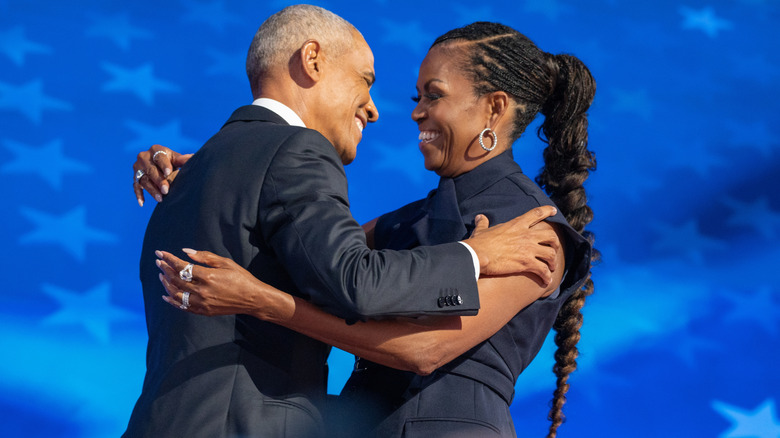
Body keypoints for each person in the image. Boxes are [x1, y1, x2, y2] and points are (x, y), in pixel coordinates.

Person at [124, 6, 562, 438]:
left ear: (493, 109)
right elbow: (347, 272)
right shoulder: (330, 177)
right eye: (368, 83)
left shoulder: (533, 232)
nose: (385, 111)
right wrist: (474, 255)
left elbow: (424, 349)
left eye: (434, 94)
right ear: (312, 60)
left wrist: (266, 299)